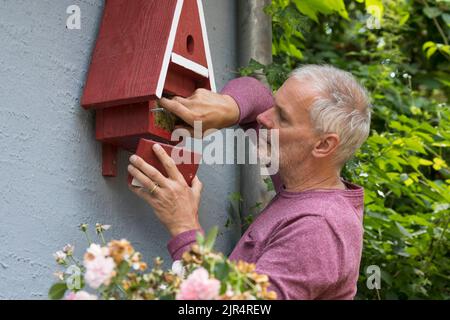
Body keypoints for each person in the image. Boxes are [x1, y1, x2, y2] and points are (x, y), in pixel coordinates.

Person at [127, 64, 371, 299]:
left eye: (282, 117)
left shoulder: (317, 228)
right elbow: (256, 94)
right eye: (275, 104)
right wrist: (228, 107)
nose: (264, 117)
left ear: (323, 144)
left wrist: (183, 227)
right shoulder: (304, 182)